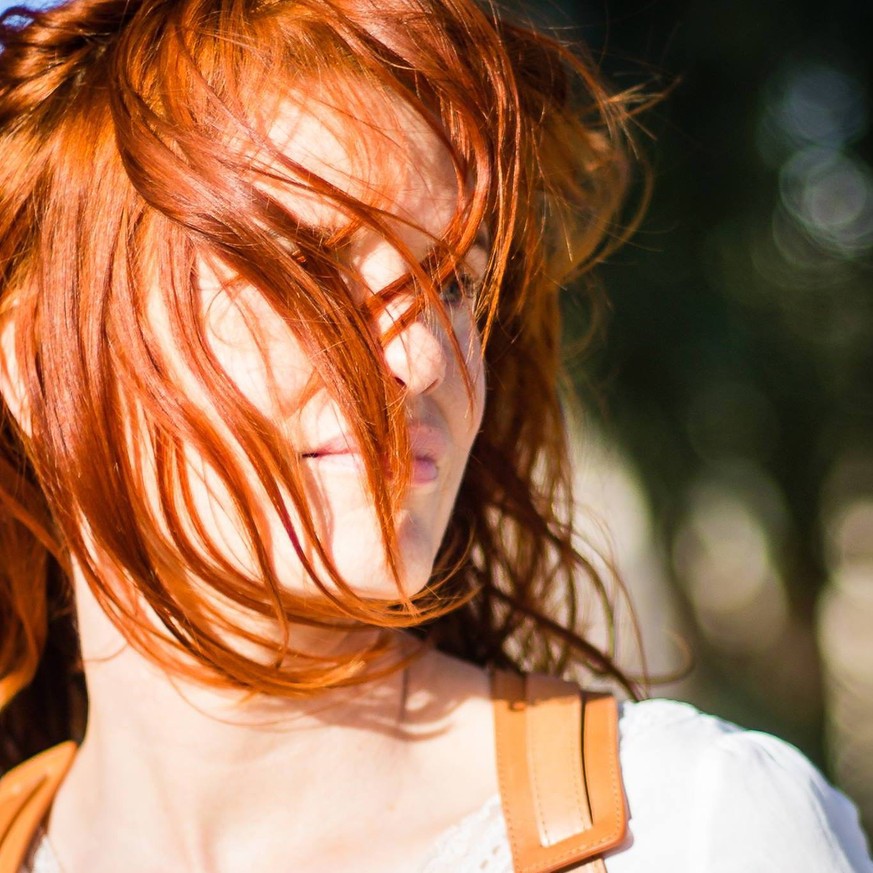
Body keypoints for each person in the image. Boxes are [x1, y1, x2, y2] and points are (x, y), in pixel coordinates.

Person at [0, 0, 870, 870]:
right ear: (33, 353)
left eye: (453, 282)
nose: (422, 360)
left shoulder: (691, 829)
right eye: (308, 266)